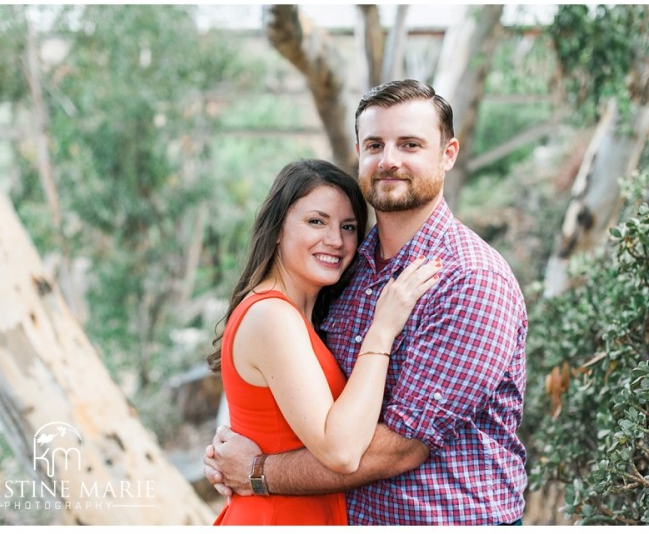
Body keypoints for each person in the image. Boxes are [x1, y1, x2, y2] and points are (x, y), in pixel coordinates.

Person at [205, 80, 528, 525]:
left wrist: (258, 471)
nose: (389, 160)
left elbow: (400, 448)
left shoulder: (470, 280)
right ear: (360, 152)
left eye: (410, 144)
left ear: (448, 154)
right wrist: (241, 439)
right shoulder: (343, 270)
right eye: (375, 144)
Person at [208, 158, 441, 525]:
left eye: (348, 227)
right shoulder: (272, 316)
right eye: (316, 221)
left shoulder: (303, 316)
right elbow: (342, 452)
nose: (335, 240)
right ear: (277, 228)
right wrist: (382, 330)